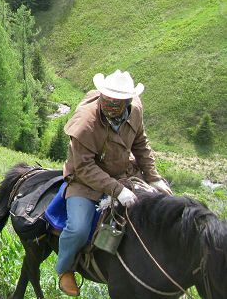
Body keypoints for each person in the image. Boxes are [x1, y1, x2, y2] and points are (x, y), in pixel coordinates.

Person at [56, 70, 172, 296]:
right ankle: (64, 269)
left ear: (128, 101)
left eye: (116, 101)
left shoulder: (135, 111)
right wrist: (117, 190)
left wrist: (153, 177)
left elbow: (140, 143)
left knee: (162, 209)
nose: (109, 104)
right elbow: (84, 167)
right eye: (107, 99)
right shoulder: (85, 123)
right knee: (78, 228)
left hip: (124, 173)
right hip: (85, 181)